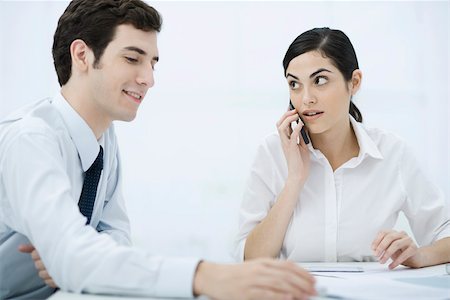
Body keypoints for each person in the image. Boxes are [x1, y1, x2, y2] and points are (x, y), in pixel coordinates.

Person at [0, 1, 317, 299]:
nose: (149, 79)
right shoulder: (32, 139)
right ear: (82, 55)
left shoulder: (102, 138)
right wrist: (207, 276)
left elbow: (112, 238)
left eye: (152, 63)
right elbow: (74, 256)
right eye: (132, 58)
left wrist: (79, 261)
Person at [234, 27, 450, 269]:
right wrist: (295, 179)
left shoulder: (392, 153)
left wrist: (420, 256)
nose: (306, 98)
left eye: (320, 80)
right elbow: (250, 259)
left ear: (354, 82)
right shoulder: (272, 153)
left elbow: (445, 232)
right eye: (294, 84)